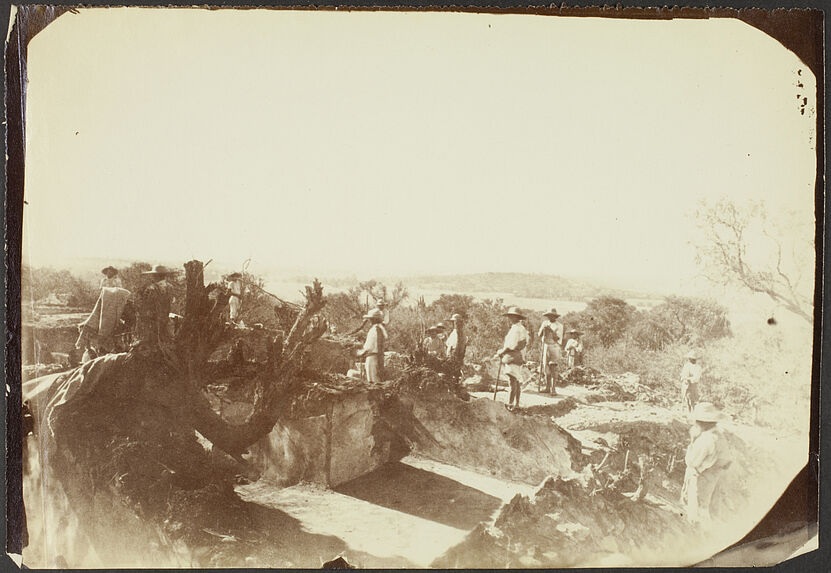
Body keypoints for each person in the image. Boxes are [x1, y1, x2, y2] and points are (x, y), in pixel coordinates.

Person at [681, 402, 731, 525]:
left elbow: (691, 462)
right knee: (707, 506)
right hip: (714, 476)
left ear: (702, 423)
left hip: (701, 477)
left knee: (696, 509)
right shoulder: (719, 435)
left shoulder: (706, 439)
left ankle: (697, 533)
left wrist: (692, 441)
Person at [496, 306, 530, 410]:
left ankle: (510, 404)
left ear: (517, 318)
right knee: (516, 380)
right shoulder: (521, 328)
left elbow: (512, 345)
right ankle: (516, 403)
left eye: (512, 317)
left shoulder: (516, 329)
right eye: (510, 316)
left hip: (512, 356)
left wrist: (501, 352)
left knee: (512, 379)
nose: (510, 319)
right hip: (517, 356)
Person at [135, 264, 178, 346]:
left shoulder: (151, 288)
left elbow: (146, 305)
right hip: (165, 318)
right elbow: (172, 302)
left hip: (153, 320)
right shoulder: (170, 287)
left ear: (155, 276)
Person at [357, 308, 388, 383]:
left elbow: (369, 347)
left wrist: (359, 353)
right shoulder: (380, 329)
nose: (369, 321)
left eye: (370, 319)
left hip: (372, 358)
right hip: (377, 357)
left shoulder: (375, 330)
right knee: (375, 380)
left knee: (373, 381)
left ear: (373, 319)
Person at [537, 308, 563, 394]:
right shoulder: (545, 323)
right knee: (545, 368)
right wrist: (543, 329)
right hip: (545, 346)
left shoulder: (559, 326)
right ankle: (547, 387)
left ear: (555, 317)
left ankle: (553, 389)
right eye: (549, 316)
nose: (550, 317)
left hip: (554, 347)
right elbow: (539, 335)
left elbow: (557, 339)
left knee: (553, 368)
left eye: (552, 316)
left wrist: (551, 331)